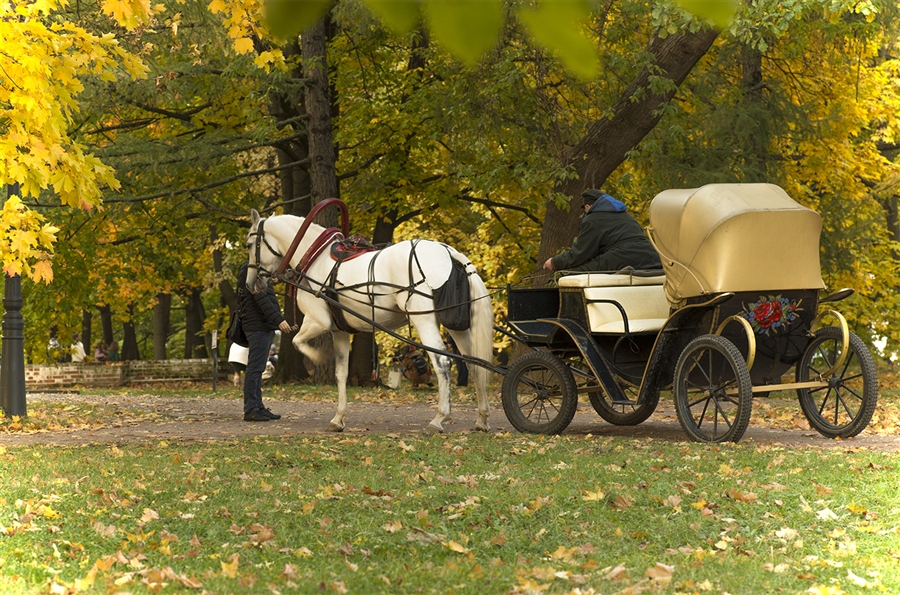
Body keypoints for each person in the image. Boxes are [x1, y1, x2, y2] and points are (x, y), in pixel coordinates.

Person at [543, 189, 662, 274]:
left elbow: (580, 254)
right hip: (652, 256)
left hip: (622, 257)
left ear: (588, 206)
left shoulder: (592, 219)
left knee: (571, 274)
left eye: (585, 209)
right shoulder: (626, 216)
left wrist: (554, 262)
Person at [237, 260, 291, 421]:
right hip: (257, 327)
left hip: (263, 327)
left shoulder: (260, 270)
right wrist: (279, 320)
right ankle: (251, 409)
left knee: (258, 369)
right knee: (254, 369)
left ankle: (258, 406)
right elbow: (261, 299)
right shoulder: (250, 269)